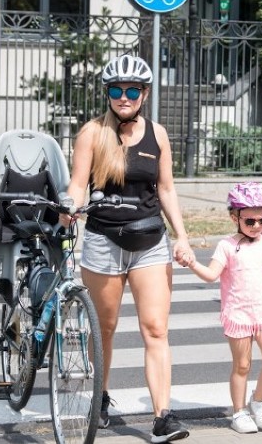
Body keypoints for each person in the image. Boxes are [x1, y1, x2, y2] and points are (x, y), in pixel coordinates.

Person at [61, 54, 194, 442]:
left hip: (150, 241)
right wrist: (70, 207)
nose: (124, 97)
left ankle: (162, 416)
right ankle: (99, 397)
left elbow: (166, 188)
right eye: (116, 90)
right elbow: (77, 183)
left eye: (132, 90)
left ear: (144, 93)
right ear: (107, 93)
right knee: (104, 328)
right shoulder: (92, 133)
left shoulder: (159, 134)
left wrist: (182, 236)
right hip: (103, 241)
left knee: (155, 328)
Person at [183, 182, 262, 434]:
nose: (257, 226)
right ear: (235, 217)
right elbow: (211, 274)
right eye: (250, 221)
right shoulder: (226, 245)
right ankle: (239, 411)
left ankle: (259, 400)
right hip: (239, 315)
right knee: (242, 366)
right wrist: (191, 262)